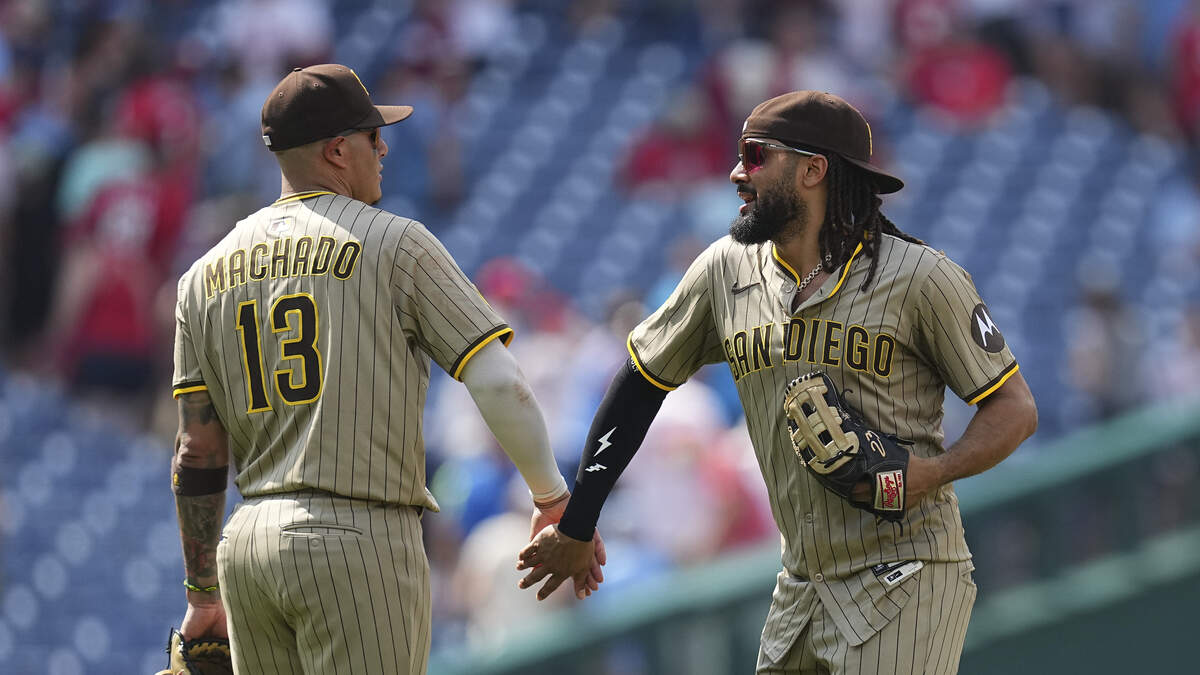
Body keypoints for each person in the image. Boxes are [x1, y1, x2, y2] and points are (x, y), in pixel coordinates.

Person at [518, 91, 1038, 674]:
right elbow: (641, 383)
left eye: (757, 156)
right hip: (801, 582)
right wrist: (579, 520)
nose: (738, 172)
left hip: (906, 569)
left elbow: (1014, 410)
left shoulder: (922, 278)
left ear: (814, 169)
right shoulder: (725, 269)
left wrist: (934, 473)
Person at [167, 64, 600, 674]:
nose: (384, 147)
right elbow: (499, 380)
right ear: (338, 150)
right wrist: (554, 498)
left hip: (249, 544)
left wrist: (202, 592)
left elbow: (197, 452)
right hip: (358, 536)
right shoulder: (397, 243)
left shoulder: (200, 278)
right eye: (373, 136)